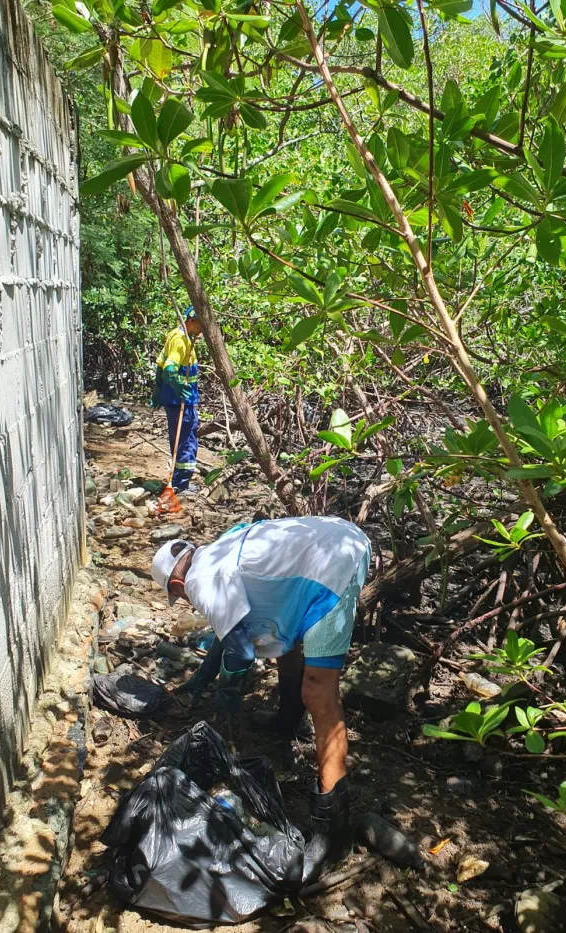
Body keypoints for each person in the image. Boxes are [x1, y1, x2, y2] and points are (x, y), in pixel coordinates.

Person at [151, 516, 371, 879]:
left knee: (319, 693)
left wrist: (226, 709)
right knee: (285, 643)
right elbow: (232, 626)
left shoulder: (201, 580)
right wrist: (203, 676)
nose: (186, 602)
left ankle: (334, 833)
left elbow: (239, 652)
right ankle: (287, 720)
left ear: (177, 583)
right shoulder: (215, 551)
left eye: (179, 597)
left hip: (334, 565)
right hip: (336, 540)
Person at [152, 306, 203, 492]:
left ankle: (178, 480)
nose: (202, 331)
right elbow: (169, 368)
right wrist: (178, 386)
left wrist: (157, 390)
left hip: (172, 399)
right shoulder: (182, 342)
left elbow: (160, 364)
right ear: (192, 321)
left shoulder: (175, 334)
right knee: (186, 439)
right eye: (200, 326)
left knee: (179, 439)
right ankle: (181, 484)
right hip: (181, 401)